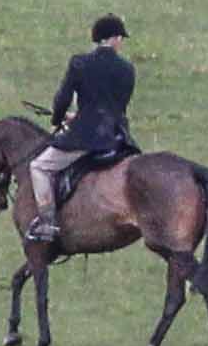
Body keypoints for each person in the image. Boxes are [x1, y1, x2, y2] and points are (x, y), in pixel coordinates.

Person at [27, 14, 138, 244]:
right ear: (114, 38)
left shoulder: (79, 63)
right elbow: (115, 107)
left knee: (39, 166)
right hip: (117, 137)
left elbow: (62, 99)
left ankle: (47, 223)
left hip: (86, 137)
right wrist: (79, 116)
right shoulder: (127, 69)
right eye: (120, 38)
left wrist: (58, 119)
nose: (121, 42)